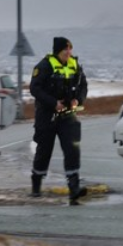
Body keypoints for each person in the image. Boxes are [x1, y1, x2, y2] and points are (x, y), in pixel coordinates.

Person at [29, 36, 89, 205]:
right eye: (65, 50)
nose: (69, 53)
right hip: (47, 115)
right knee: (44, 151)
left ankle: (74, 189)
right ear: (58, 51)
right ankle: (36, 186)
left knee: (72, 149)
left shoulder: (75, 65)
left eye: (70, 49)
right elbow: (34, 88)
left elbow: (83, 85)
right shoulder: (45, 66)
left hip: (67, 115)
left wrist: (79, 99)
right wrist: (53, 103)